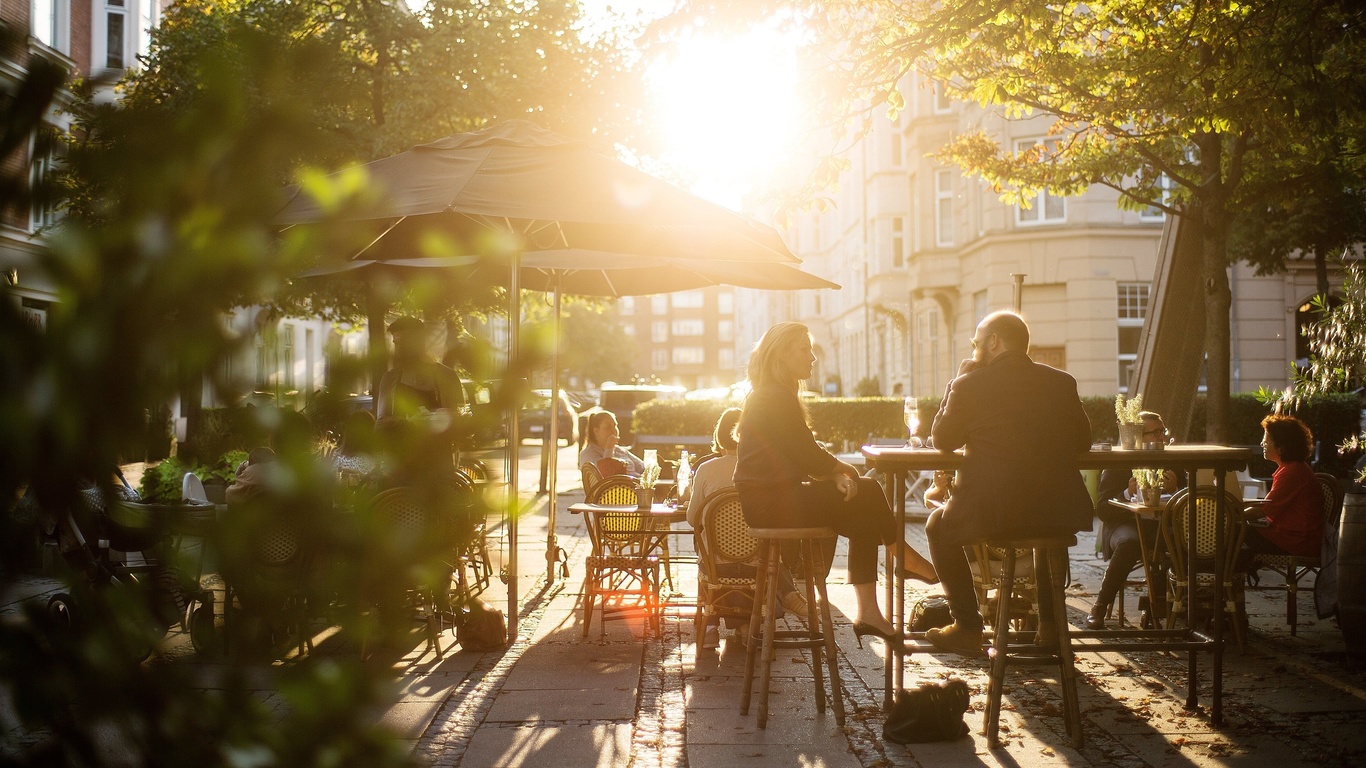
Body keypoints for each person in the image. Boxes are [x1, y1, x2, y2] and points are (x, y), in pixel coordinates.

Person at [733, 322, 937, 647]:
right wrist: (843, 471)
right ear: (782, 355)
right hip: (771, 504)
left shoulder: (772, 393)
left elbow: (799, 455)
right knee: (868, 488)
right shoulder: (774, 396)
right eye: (804, 349)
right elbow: (808, 456)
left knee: (864, 519)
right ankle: (902, 554)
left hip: (773, 500)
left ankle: (870, 612)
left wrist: (835, 474)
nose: (812, 357)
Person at [924, 310, 1093, 656]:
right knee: (1045, 535)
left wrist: (953, 383)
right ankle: (1049, 627)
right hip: (1058, 511)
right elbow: (1083, 442)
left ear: (993, 342)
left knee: (937, 525)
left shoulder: (970, 384)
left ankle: (968, 628)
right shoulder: (1062, 382)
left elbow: (941, 439)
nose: (973, 351)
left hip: (993, 513)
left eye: (975, 343)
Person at [684, 407, 807, 648]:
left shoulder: (706, 469)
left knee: (705, 549)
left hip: (717, 565)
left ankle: (710, 628)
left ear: (720, 436)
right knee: (763, 554)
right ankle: (751, 620)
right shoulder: (763, 471)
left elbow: (692, 518)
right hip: (756, 564)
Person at [1087, 411, 1178, 630]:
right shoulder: (1118, 462)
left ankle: (1178, 605)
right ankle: (1100, 605)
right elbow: (1102, 510)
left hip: (1160, 524)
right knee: (1130, 542)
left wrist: (1176, 490)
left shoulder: (1174, 460)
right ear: (1137, 436)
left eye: (1161, 432)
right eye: (1153, 433)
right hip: (1123, 523)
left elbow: (1188, 500)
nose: (1159, 438)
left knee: (1185, 539)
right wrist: (1127, 493)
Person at [375, 317, 466, 484]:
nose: (399, 349)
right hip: (401, 471)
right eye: (396, 343)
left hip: (439, 468)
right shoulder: (390, 379)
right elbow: (380, 425)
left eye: (404, 343)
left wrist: (447, 418)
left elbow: (462, 419)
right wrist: (403, 422)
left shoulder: (447, 377)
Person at [1242, 414, 1325, 562]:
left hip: (1296, 542)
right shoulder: (1293, 469)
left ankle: (1228, 578)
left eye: (1266, 441)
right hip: (1295, 538)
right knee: (1235, 530)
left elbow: (1262, 510)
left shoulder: (1291, 472)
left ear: (1281, 447)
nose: (1262, 444)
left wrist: (1228, 514)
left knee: (1233, 531)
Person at [579, 411, 646, 477]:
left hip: (636, 483)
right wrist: (609, 448)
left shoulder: (619, 450)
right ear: (596, 431)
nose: (614, 430)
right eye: (608, 427)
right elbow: (604, 475)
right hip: (618, 486)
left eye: (615, 425)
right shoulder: (588, 453)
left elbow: (642, 467)